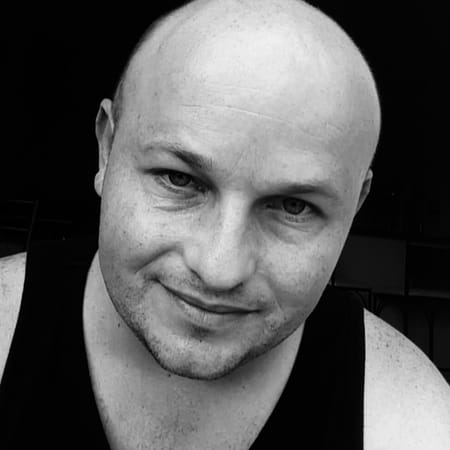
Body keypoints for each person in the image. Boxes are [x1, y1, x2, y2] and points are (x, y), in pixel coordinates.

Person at [1, 0, 449, 448]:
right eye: (179, 180)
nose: (219, 270)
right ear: (106, 147)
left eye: (293, 206)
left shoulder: (414, 423)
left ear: (355, 205)